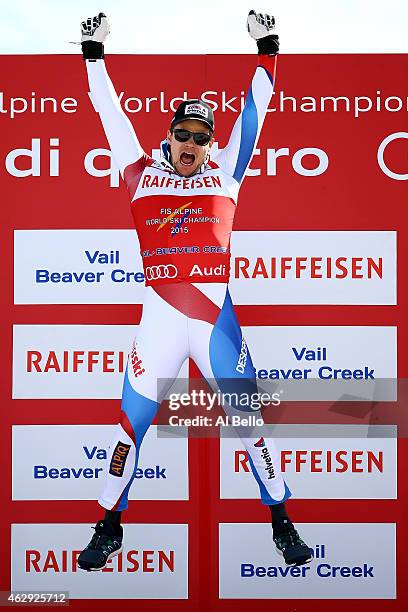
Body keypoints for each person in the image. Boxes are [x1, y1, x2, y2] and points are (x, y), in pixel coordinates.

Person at [77, 10, 314, 572]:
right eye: (182, 134)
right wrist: (93, 56)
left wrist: (268, 50)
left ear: (210, 145)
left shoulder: (227, 171)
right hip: (160, 320)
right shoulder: (138, 173)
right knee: (127, 428)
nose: (191, 144)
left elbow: (255, 114)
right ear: (169, 136)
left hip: (214, 322)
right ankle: (108, 526)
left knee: (252, 424)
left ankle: (282, 522)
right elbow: (109, 116)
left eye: (201, 138)